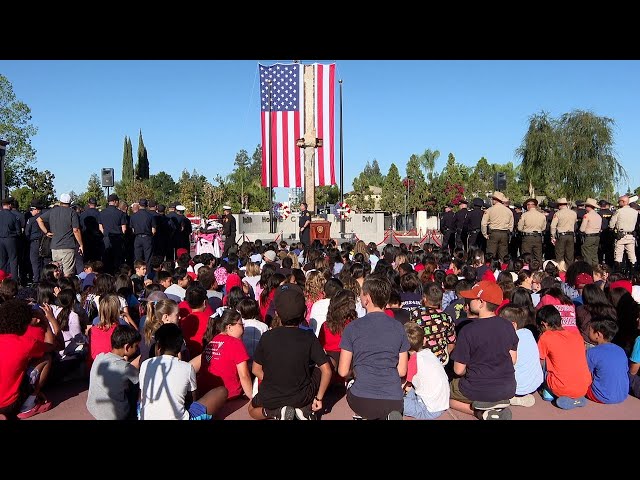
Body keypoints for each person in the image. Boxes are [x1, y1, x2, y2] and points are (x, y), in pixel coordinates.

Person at [248, 284, 332, 420]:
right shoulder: (309, 337)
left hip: (271, 395)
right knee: (318, 368)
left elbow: (256, 370)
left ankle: (275, 413)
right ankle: (305, 410)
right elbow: (327, 370)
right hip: (302, 396)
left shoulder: (267, 336)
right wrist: (319, 398)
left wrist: (274, 380)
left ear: (277, 313)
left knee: (251, 409)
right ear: (304, 313)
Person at [338, 275, 410, 420]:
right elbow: (402, 371)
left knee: (352, 385)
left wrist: (356, 371)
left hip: (361, 397)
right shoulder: (398, 327)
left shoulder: (352, 328)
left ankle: (365, 415)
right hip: (393, 399)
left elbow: (343, 371)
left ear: (367, 299)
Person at [448, 280, 518, 420]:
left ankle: (481, 413)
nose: (467, 301)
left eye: (471, 298)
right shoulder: (508, 325)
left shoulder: (468, 330)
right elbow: (513, 360)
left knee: (444, 397)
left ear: (481, 302)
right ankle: (496, 406)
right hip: (507, 387)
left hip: (476, 389)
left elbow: (458, 370)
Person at [139, 323, 228, 420]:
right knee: (222, 392)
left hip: (145, 417)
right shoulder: (187, 367)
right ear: (179, 347)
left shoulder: (145, 364)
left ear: (158, 347)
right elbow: (193, 399)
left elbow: (142, 394)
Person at [536, 305, 591, 409]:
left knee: (543, 363)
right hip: (583, 388)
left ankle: (549, 394)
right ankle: (575, 397)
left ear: (544, 324)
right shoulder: (577, 336)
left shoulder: (546, 337)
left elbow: (539, 362)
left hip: (560, 387)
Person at [192, 309, 253, 401]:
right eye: (241, 324)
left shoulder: (212, 341)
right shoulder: (235, 343)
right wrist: (253, 398)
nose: (243, 328)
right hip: (230, 396)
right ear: (229, 327)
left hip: (207, 395)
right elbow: (244, 376)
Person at [86, 324, 141, 420]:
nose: (137, 349)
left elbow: (123, 367)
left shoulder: (99, 357)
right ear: (127, 347)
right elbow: (138, 377)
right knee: (135, 386)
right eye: (136, 346)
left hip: (93, 408)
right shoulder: (125, 368)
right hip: (116, 415)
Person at [402, 321, 450, 420]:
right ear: (424, 340)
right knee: (410, 391)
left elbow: (404, 384)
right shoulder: (429, 353)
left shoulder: (413, 362)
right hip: (440, 402)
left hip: (427, 410)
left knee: (393, 402)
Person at [499, 306, 543, 407]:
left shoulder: (508, 338)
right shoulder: (528, 333)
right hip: (534, 384)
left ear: (513, 325)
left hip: (517, 388)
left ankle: (512, 399)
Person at [36, 193, 83, 277]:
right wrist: (81, 244)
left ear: (60, 202)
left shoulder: (52, 211)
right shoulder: (72, 212)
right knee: (67, 274)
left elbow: (39, 220)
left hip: (54, 247)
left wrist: (46, 232)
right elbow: (76, 230)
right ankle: (66, 289)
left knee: (56, 273)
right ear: (70, 203)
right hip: (67, 247)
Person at [585, 316, 629, 404]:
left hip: (600, 396)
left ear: (598, 334)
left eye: (589, 330)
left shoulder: (592, 352)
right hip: (622, 395)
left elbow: (584, 373)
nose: (587, 332)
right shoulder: (620, 350)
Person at [609, 194, 639, 272]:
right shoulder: (635, 212)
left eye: (619, 201)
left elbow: (611, 224)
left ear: (623, 202)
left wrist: (613, 230)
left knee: (618, 256)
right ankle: (633, 274)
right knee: (632, 256)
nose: (618, 203)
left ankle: (618, 273)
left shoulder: (619, 211)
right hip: (631, 236)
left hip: (620, 236)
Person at [481, 191, 514, 262]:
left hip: (493, 233)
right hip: (504, 233)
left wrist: (485, 234)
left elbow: (483, 223)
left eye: (492, 199)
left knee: (491, 253)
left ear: (495, 200)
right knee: (503, 254)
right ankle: (503, 269)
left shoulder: (490, 210)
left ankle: (490, 269)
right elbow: (511, 225)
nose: (491, 200)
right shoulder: (508, 211)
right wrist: (508, 233)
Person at [99, 194, 127, 274]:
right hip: (117, 239)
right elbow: (124, 229)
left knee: (106, 260)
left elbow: (100, 227)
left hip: (106, 238)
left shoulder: (102, 213)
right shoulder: (120, 213)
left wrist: (105, 235)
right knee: (117, 261)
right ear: (115, 201)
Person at [550, 197, 578, 273]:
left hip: (561, 235)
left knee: (560, 255)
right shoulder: (573, 213)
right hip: (571, 235)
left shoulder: (558, 214)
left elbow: (553, 226)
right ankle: (570, 271)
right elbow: (575, 223)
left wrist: (553, 236)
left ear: (560, 205)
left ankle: (561, 271)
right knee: (570, 255)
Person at [518, 198, 547, 265]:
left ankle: (526, 269)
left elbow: (519, 228)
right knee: (538, 255)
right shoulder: (542, 215)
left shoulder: (524, 215)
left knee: (526, 256)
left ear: (528, 206)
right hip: (538, 237)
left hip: (527, 237)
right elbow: (543, 228)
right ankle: (539, 269)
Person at [129, 198, 157, 267]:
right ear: (147, 205)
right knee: (148, 258)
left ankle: (138, 273)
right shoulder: (150, 216)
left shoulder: (133, 216)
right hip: (147, 238)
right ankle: (147, 274)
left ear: (139, 205)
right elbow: (153, 230)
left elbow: (132, 230)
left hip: (137, 238)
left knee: (138, 258)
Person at [0, 197, 22, 281]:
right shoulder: (14, 217)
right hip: (11, 239)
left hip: (0, 239)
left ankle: (2, 280)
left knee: (2, 261)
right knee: (13, 260)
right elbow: (18, 231)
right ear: (9, 205)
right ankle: (14, 281)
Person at [79, 197, 103, 264]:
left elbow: (80, 227)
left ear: (88, 204)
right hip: (96, 240)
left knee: (87, 261)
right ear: (96, 204)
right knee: (96, 261)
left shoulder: (83, 214)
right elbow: (101, 227)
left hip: (85, 239)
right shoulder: (99, 214)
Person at [579, 198, 603, 267]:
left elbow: (582, 229)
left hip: (589, 237)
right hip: (597, 237)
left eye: (586, 206)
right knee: (594, 254)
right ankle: (596, 268)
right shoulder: (598, 216)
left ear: (589, 207)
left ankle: (588, 268)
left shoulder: (587, 216)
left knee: (586, 252)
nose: (585, 207)